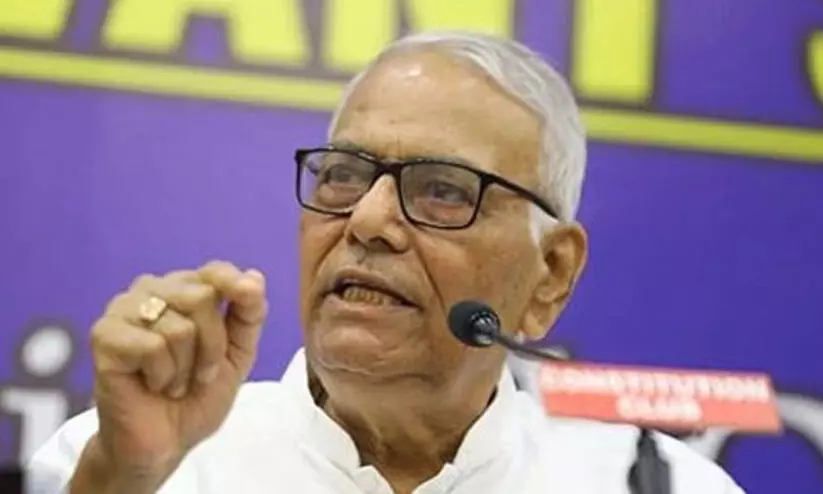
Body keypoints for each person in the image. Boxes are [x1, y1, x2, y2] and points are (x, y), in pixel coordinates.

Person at [27, 31, 746, 494]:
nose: (368, 221)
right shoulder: (127, 465)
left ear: (550, 273)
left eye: (442, 190)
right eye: (343, 175)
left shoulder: (653, 485)